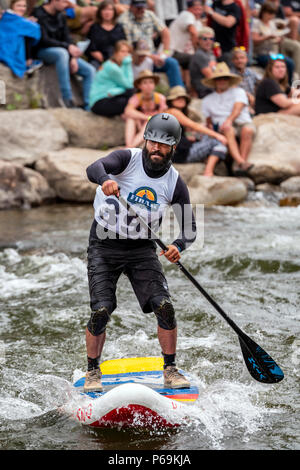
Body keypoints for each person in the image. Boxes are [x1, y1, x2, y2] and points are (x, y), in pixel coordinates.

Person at [84, 112, 196, 392]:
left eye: (164, 144)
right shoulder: (127, 159)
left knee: (165, 306)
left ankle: (170, 369)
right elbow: (94, 167)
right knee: (101, 309)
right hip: (104, 243)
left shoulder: (174, 182)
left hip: (142, 248)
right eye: (152, 142)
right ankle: (92, 372)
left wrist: (177, 246)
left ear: (174, 147)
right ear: (145, 140)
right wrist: (105, 179)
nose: (156, 149)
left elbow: (190, 228)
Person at [33, 0, 95, 109]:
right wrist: (67, 48)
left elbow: (67, 38)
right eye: (63, 2)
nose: (66, 5)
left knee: (90, 70)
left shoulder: (61, 16)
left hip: (64, 52)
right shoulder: (38, 13)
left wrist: (73, 57)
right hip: (43, 51)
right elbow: (44, 40)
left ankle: (88, 105)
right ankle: (67, 99)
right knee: (62, 54)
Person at [201, 62, 256, 174]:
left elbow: (238, 108)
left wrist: (229, 120)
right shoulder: (207, 100)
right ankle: (241, 163)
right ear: (214, 81)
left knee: (248, 130)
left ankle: (239, 164)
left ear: (229, 80)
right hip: (223, 128)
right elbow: (208, 120)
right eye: (219, 78)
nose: (222, 81)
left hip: (241, 122)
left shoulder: (239, 92)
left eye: (225, 78)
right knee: (227, 129)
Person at [118, 0, 185, 87]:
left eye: (142, 8)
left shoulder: (149, 14)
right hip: (134, 56)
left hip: (152, 53)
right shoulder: (123, 20)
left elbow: (165, 31)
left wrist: (165, 52)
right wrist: (150, 56)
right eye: (138, 8)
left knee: (171, 63)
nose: (141, 10)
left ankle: (178, 94)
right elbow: (128, 47)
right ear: (131, 7)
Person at [165, 86, 228, 176]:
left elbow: (180, 132)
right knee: (219, 143)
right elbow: (194, 125)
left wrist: (190, 136)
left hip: (180, 152)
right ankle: (208, 171)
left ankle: (207, 162)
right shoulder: (172, 111)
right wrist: (217, 135)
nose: (181, 99)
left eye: (183, 97)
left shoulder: (174, 113)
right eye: (177, 97)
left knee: (207, 137)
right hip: (181, 154)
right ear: (171, 100)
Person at [251, 2, 300, 84]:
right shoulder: (257, 23)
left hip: (272, 53)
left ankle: (290, 85)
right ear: (263, 12)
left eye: (273, 13)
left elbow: (276, 35)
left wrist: (278, 39)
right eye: (269, 13)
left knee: (290, 62)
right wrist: (267, 37)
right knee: (281, 63)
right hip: (261, 54)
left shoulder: (271, 23)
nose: (271, 15)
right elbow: (254, 40)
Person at [89, 39, 134, 116]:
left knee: (132, 97)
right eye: (122, 51)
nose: (126, 55)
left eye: (128, 52)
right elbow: (129, 85)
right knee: (132, 96)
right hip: (99, 102)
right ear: (116, 53)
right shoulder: (112, 68)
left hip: (109, 97)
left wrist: (115, 91)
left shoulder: (117, 65)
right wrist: (128, 64)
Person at [124, 69, 167, 147]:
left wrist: (149, 119)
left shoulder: (160, 98)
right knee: (130, 119)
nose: (148, 85)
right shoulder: (137, 97)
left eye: (151, 82)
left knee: (150, 122)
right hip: (140, 124)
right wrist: (147, 117)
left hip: (153, 128)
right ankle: (129, 145)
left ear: (154, 84)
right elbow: (128, 111)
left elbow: (162, 116)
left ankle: (129, 147)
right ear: (139, 86)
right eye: (145, 83)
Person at [0, 0, 41, 78]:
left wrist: (27, 22)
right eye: (19, 6)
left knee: (26, 34)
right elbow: (35, 29)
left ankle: (28, 60)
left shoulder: (17, 19)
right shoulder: (8, 17)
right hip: (6, 46)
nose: (22, 8)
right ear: (12, 6)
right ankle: (28, 61)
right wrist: (29, 23)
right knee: (27, 34)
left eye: (24, 6)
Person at [86, 0, 126, 69]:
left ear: (114, 12)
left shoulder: (119, 27)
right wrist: (95, 53)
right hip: (98, 60)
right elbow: (90, 46)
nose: (107, 12)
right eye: (104, 10)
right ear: (100, 12)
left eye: (110, 10)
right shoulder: (94, 27)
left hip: (116, 60)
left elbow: (123, 45)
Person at [169, 0, 204, 75]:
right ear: (189, 9)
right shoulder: (186, 14)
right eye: (196, 9)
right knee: (197, 58)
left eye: (200, 9)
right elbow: (193, 32)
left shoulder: (198, 22)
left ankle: (188, 85)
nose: (199, 12)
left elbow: (203, 36)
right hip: (170, 52)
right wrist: (198, 51)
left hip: (182, 53)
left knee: (193, 59)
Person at [230, 46, 261, 114]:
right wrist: (248, 95)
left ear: (246, 59)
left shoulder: (251, 72)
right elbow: (233, 89)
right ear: (232, 61)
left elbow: (262, 81)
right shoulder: (230, 74)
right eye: (236, 58)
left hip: (253, 101)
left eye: (242, 58)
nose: (239, 61)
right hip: (239, 102)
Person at [189, 26, 217, 99]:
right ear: (199, 40)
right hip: (204, 91)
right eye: (205, 39)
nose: (208, 41)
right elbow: (211, 77)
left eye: (211, 39)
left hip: (212, 89)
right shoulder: (199, 55)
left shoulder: (210, 53)